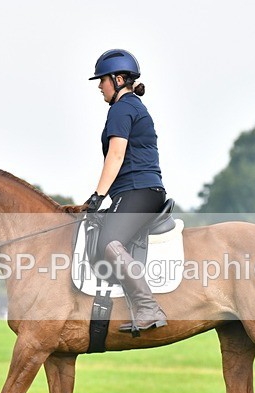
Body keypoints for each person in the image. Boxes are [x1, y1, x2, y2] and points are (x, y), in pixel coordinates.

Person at [83, 49, 168, 333]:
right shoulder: (129, 107)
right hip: (137, 190)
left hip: (138, 190)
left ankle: (147, 308)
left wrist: (97, 197)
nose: (99, 86)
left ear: (118, 79)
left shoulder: (122, 108)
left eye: (102, 80)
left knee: (109, 242)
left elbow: (116, 156)